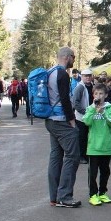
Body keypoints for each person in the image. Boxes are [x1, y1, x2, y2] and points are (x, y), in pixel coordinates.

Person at [45, 47, 81, 208]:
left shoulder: (50, 72)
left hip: (50, 120)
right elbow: (65, 100)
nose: (74, 59)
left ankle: (55, 196)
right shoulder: (62, 74)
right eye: (73, 57)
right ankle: (65, 196)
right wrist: (72, 120)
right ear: (67, 57)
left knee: (56, 157)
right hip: (61, 121)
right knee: (73, 156)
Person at [84, 83, 111, 206]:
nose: (99, 96)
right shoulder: (90, 108)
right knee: (92, 173)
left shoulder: (110, 108)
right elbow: (86, 122)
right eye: (96, 93)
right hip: (93, 146)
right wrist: (94, 109)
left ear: (106, 95)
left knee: (105, 171)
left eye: (101, 93)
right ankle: (93, 195)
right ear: (93, 95)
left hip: (106, 146)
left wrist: (103, 112)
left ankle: (102, 192)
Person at [72, 69, 94, 164]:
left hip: (92, 116)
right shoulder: (80, 87)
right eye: (86, 76)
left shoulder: (93, 86)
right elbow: (75, 103)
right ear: (82, 77)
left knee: (90, 137)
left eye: (89, 75)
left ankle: (88, 155)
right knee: (82, 137)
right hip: (81, 117)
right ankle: (81, 156)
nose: (88, 77)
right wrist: (85, 112)